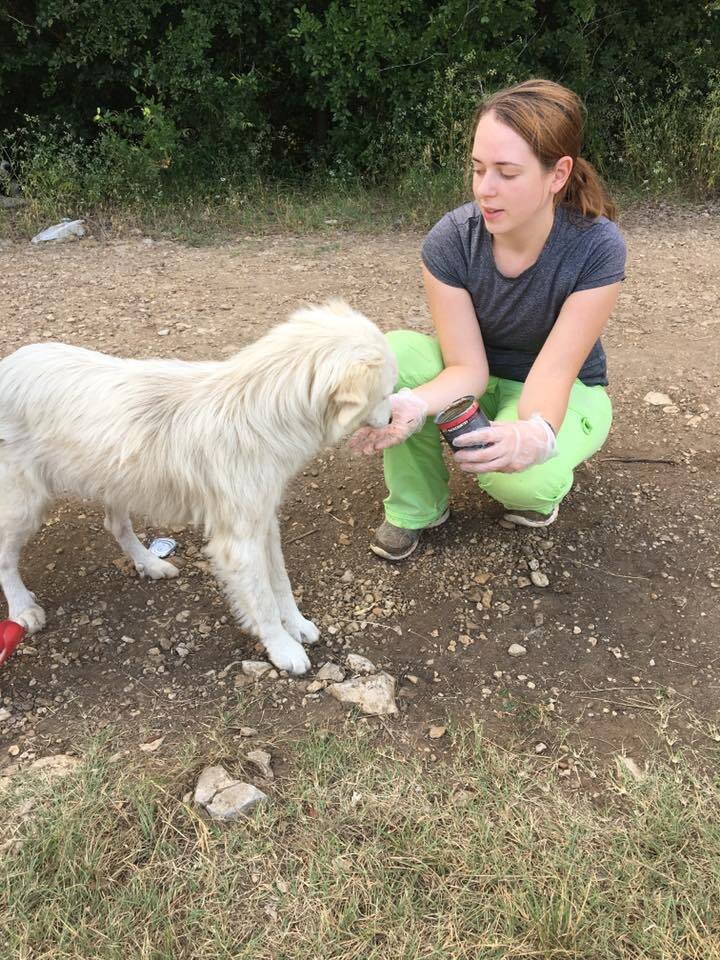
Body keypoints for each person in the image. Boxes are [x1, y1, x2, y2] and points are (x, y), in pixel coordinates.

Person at [349, 78, 627, 561]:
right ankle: (417, 508)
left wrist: (536, 435)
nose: (485, 189)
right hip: (477, 377)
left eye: (507, 173)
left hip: (563, 387)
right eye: (478, 169)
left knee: (524, 481)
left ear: (558, 174)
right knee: (391, 358)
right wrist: (414, 403)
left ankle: (538, 488)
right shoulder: (451, 240)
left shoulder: (597, 247)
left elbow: (555, 370)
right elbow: (466, 367)